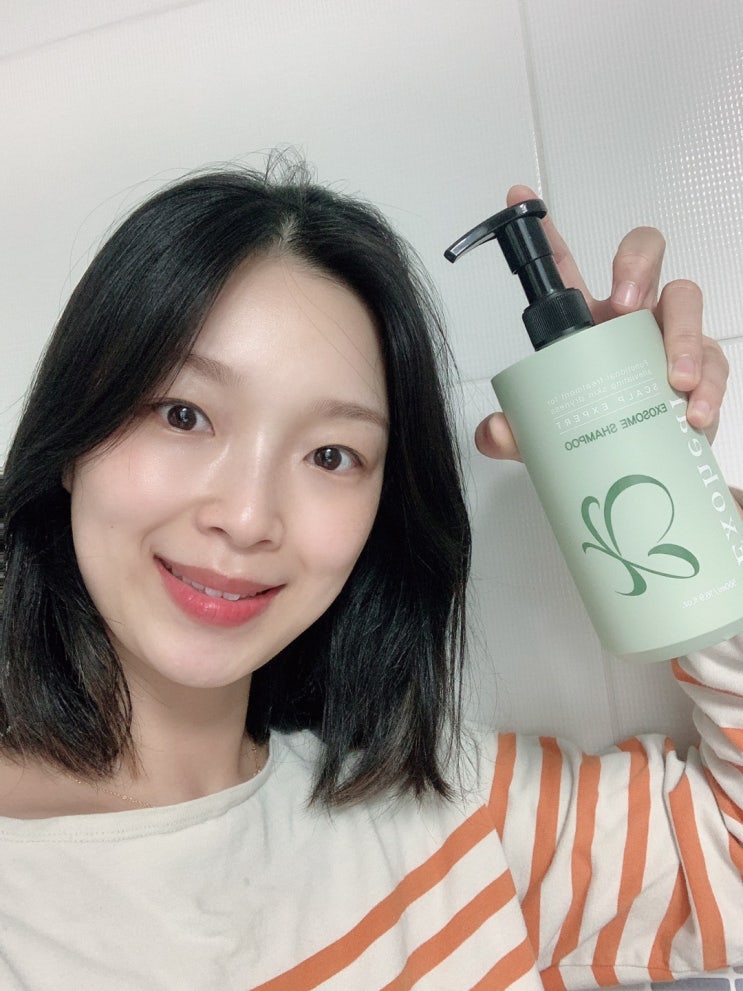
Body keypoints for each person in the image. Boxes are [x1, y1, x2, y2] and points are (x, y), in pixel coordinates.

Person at [0, 162, 740, 990]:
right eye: (183, 414)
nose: (246, 517)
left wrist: (661, 473)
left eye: (330, 454)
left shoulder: (449, 803)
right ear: (73, 434)